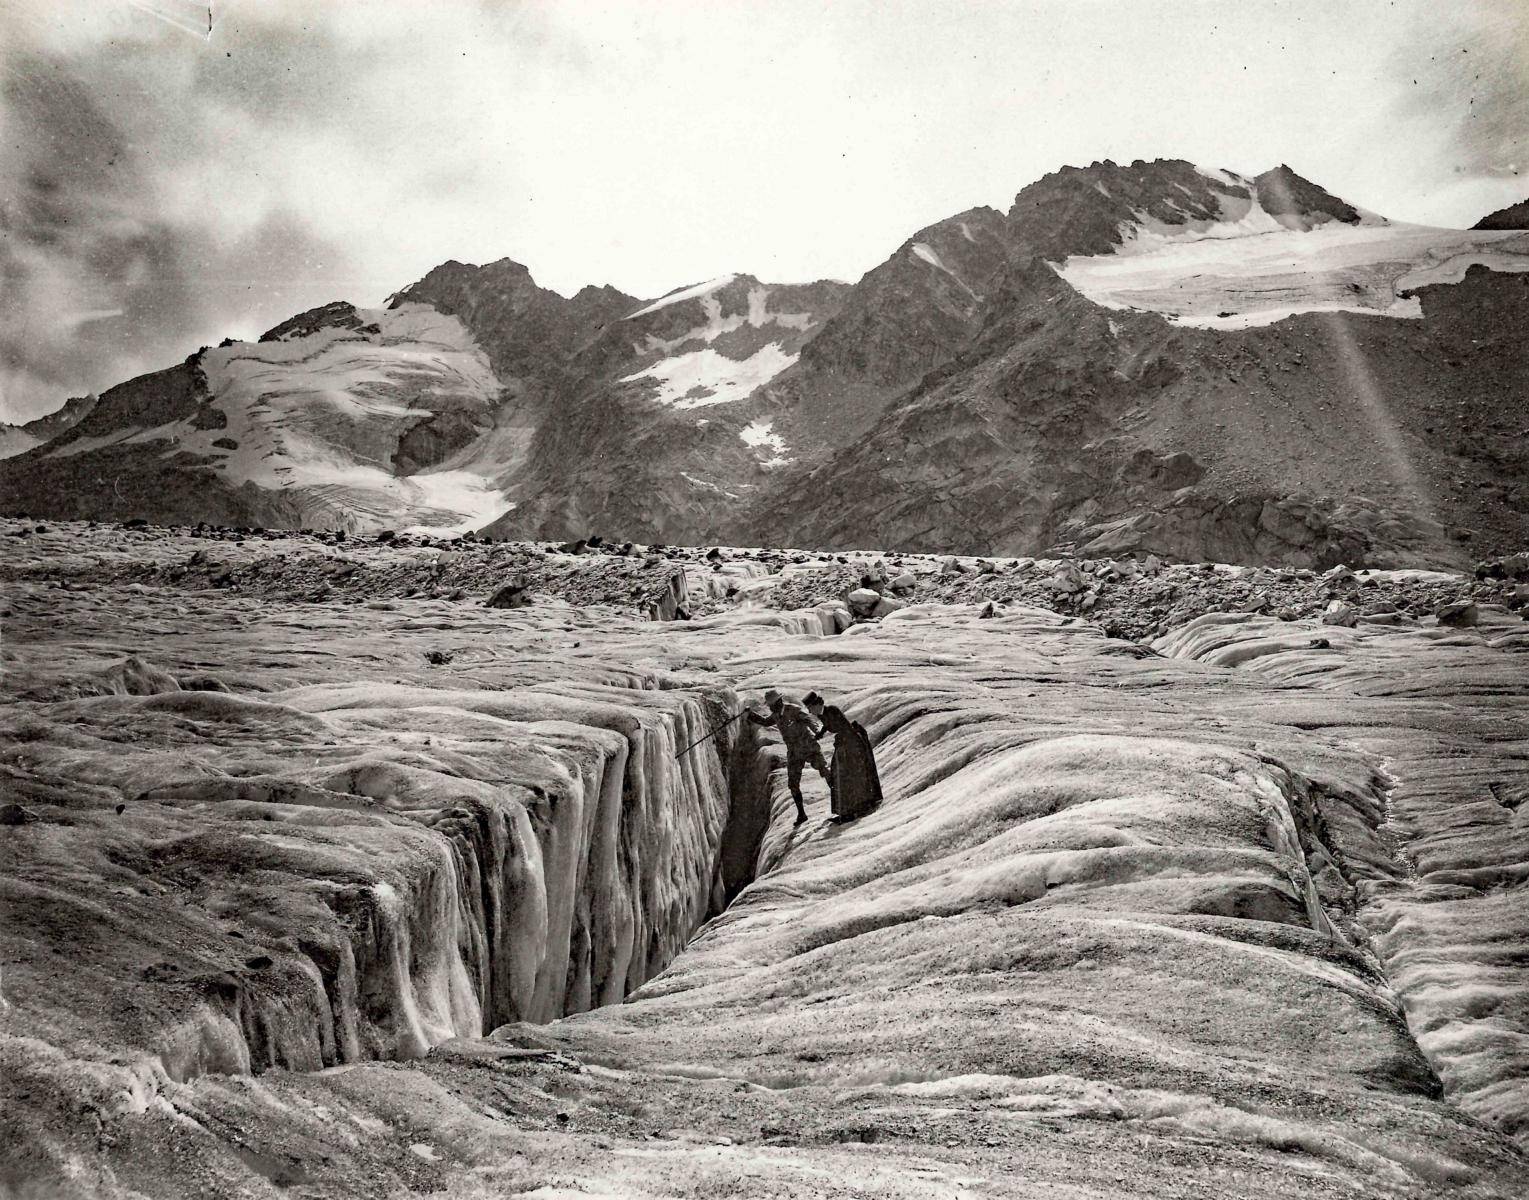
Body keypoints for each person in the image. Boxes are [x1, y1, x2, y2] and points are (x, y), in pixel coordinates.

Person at [747, 689, 830, 825]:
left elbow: (808, 719)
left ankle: (838, 800)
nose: (770, 708)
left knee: (824, 770)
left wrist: (817, 731)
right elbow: (765, 722)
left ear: (779, 701)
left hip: (808, 746)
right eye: (770, 706)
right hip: (793, 752)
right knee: (793, 784)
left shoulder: (793, 709)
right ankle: (801, 814)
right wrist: (750, 714)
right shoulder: (775, 715)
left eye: (772, 705)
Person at [805, 692, 883, 822]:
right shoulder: (822, 714)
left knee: (849, 774)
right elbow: (827, 724)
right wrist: (820, 734)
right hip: (844, 743)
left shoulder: (832, 710)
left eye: (810, 708)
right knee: (840, 774)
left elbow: (845, 727)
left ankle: (855, 808)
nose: (810, 711)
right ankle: (845, 810)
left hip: (851, 743)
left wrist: (843, 743)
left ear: (817, 704)